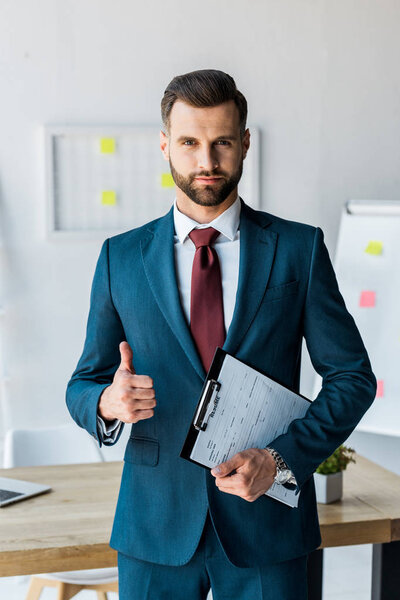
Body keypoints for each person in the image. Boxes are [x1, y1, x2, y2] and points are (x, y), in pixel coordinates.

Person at [66, 69, 376, 599]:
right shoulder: (120, 258)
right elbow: (83, 384)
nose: (206, 162)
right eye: (189, 143)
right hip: (153, 529)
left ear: (245, 143)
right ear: (165, 145)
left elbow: (352, 378)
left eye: (221, 143)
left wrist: (280, 461)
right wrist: (107, 403)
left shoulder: (299, 249)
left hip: (267, 531)